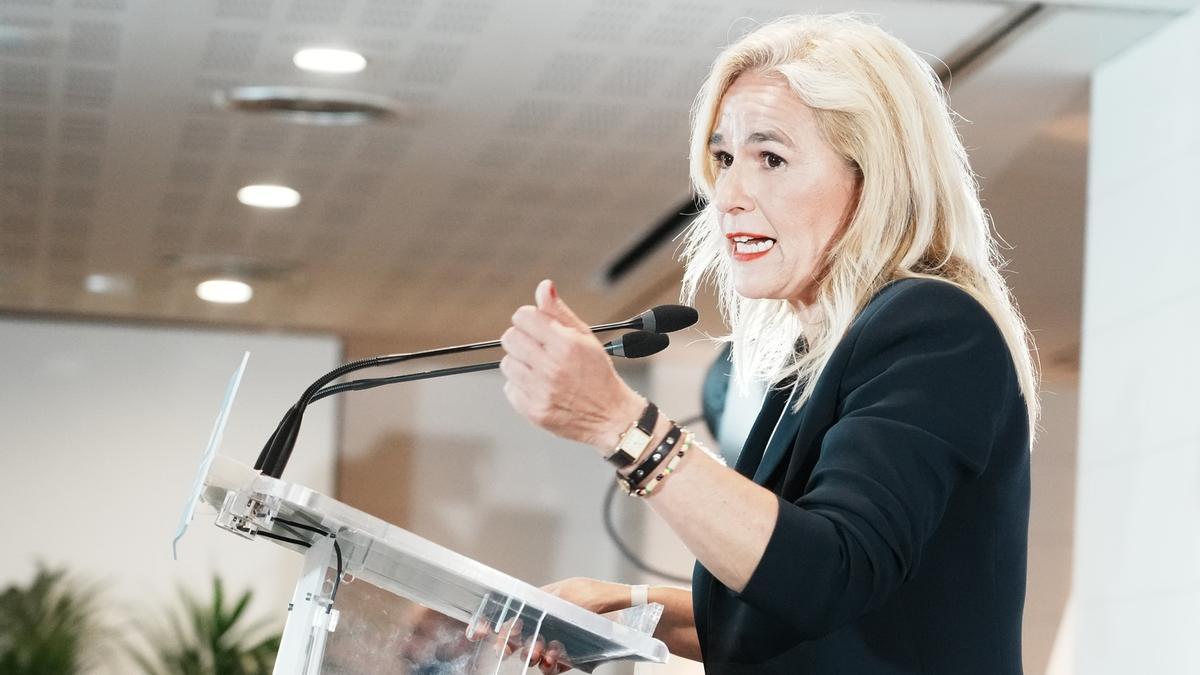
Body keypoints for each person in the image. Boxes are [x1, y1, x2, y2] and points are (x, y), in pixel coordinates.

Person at [498, 13, 1038, 675]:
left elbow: (831, 573)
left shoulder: (933, 327)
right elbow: (796, 607)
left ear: (872, 178)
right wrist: (624, 608)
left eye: (771, 158)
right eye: (724, 159)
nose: (728, 194)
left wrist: (622, 424)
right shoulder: (811, 362)